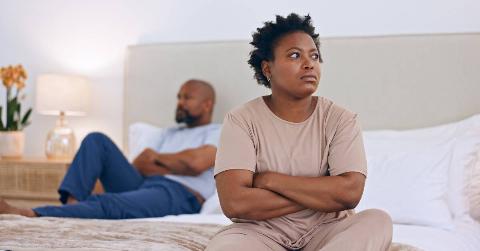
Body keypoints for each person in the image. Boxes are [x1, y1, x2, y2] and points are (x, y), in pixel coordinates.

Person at [207, 14, 393, 251]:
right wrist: (323, 190)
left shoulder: (341, 119)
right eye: (295, 55)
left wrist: (270, 180)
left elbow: (349, 193)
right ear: (267, 68)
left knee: (377, 221)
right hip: (260, 233)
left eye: (314, 56)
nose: (309, 63)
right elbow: (234, 202)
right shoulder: (241, 120)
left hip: (329, 231)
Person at [0, 79, 221, 219]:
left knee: (112, 203)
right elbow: (141, 164)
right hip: (143, 183)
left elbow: (196, 163)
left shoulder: (219, 131)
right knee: (96, 140)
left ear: (207, 104)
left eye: (187, 97)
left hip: (180, 194)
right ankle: (71, 208)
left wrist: (158, 160)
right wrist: (176, 163)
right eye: (179, 97)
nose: (180, 102)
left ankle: (31, 212)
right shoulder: (168, 133)